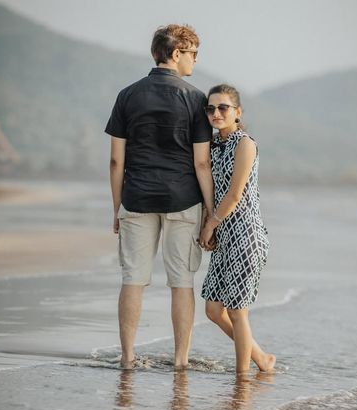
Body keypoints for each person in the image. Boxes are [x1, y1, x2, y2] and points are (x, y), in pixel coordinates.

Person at [105, 24, 214, 371]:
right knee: (181, 282)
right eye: (193, 53)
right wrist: (211, 212)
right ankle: (181, 361)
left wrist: (116, 206)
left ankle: (128, 357)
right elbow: (201, 161)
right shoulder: (196, 99)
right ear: (176, 53)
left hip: (137, 197)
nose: (196, 60)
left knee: (133, 279)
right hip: (183, 198)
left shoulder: (127, 95)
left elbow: (116, 160)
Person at [200, 84, 276, 374]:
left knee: (236, 311)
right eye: (210, 108)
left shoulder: (245, 144)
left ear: (237, 112)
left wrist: (210, 225)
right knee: (212, 310)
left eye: (223, 108)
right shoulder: (211, 145)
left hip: (246, 235)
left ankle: (242, 379)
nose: (216, 113)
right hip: (224, 237)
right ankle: (262, 359)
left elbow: (234, 194)